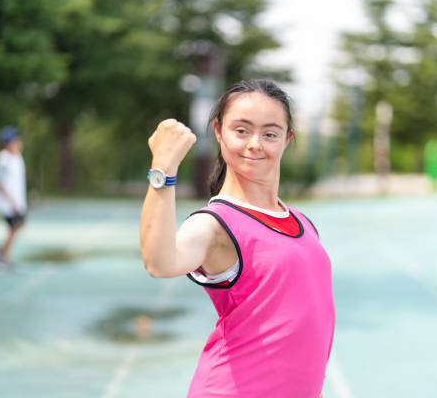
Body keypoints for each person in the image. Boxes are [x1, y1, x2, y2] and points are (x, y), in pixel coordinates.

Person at [140, 79, 334, 397]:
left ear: (287, 140)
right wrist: (163, 169)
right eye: (241, 130)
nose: (255, 144)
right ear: (219, 131)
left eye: (269, 134)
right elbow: (159, 262)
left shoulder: (301, 222)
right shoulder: (216, 224)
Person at [0, 126, 27, 270]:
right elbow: (0, 183)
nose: (18, 144)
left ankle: (2, 250)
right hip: (7, 203)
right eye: (15, 141)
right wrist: (11, 202)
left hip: (18, 201)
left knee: (18, 225)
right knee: (15, 226)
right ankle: (3, 257)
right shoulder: (3, 159)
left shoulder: (17, 157)